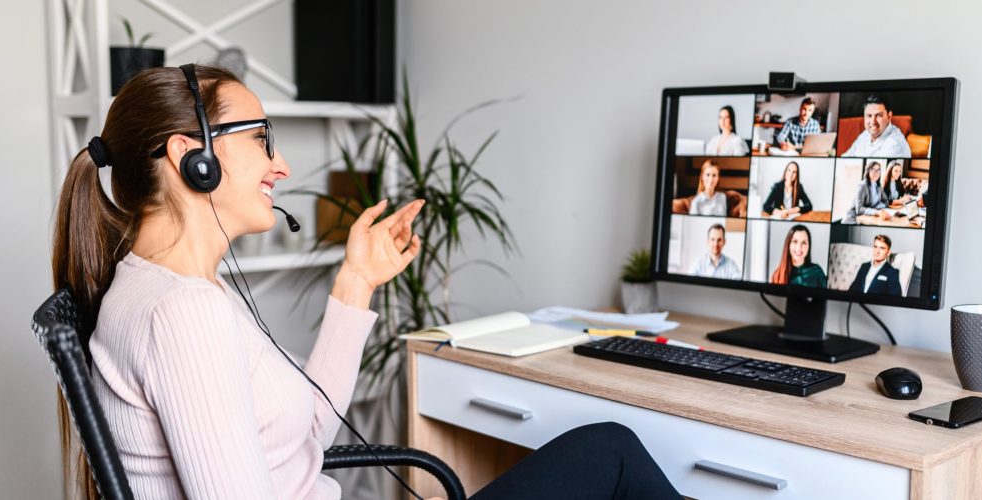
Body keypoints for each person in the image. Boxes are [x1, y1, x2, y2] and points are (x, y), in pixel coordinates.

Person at [51, 64, 681, 500]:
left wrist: (356, 281)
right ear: (195, 156)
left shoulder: (160, 287)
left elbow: (306, 438)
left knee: (607, 450)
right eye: (262, 139)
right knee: (614, 453)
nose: (282, 164)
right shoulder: (183, 314)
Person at [841, 95, 911, 158]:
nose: (873, 122)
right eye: (869, 116)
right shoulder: (866, 134)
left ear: (889, 116)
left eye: (879, 115)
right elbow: (845, 157)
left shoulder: (894, 144)